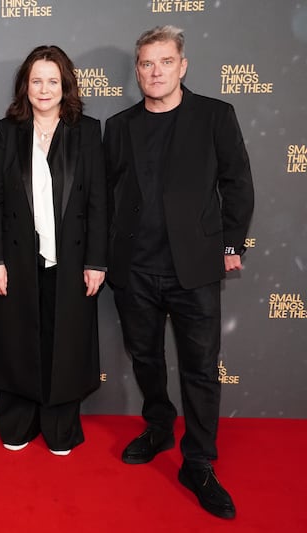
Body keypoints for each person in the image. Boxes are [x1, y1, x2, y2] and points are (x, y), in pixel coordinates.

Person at [104, 26, 254, 519]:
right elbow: (106, 195)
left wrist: (231, 244)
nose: (155, 71)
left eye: (165, 62)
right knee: (145, 358)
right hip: (135, 270)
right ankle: (158, 425)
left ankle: (199, 461)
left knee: (201, 368)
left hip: (195, 268)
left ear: (182, 66)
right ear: (137, 70)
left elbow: (237, 183)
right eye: (146, 63)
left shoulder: (215, 115)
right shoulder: (119, 125)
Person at [0, 46, 107, 456]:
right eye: (36, 80)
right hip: (17, 263)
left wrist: (95, 261)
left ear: (65, 85)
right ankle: (18, 422)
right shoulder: (7, 131)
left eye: (53, 80)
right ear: (25, 86)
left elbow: (98, 203)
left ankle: (60, 428)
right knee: (17, 340)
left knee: (65, 344)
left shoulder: (87, 131)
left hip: (70, 262)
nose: (44, 88)